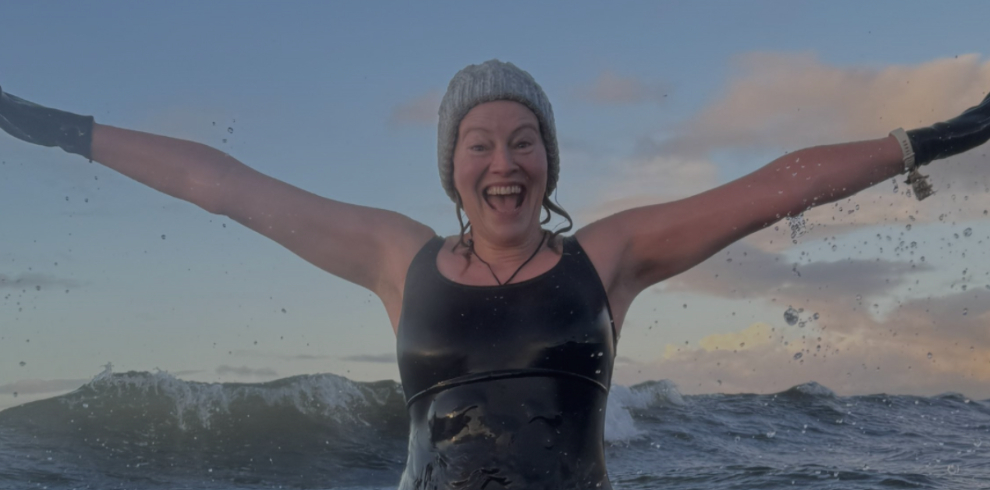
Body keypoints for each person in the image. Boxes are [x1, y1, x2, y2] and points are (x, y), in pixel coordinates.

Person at [1, 59, 988, 489]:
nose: (504, 161)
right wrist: (56, 130)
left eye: (524, 141)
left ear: (550, 159)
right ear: (451, 165)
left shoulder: (612, 254)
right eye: (480, 143)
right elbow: (221, 181)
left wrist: (929, 138)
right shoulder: (396, 257)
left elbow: (781, 183)